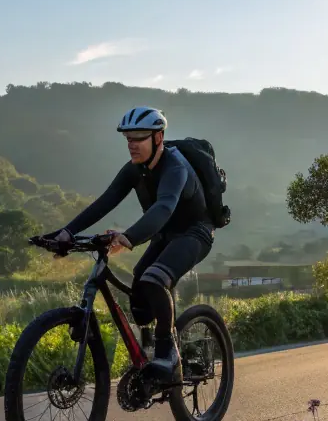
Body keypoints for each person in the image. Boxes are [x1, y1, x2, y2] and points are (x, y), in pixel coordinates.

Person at [47, 106, 213, 387]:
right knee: (140, 293)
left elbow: (164, 207)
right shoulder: (134, 170)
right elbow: (105, 201)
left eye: (139, 138)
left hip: (194, 232)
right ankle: (147, 357)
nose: (132, 144)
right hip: (163, 235)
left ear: (158, 137)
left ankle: (167, 355)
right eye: (128, 139)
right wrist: (66, 232)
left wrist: (129, 236)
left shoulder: (175, 167)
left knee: (154, 278)